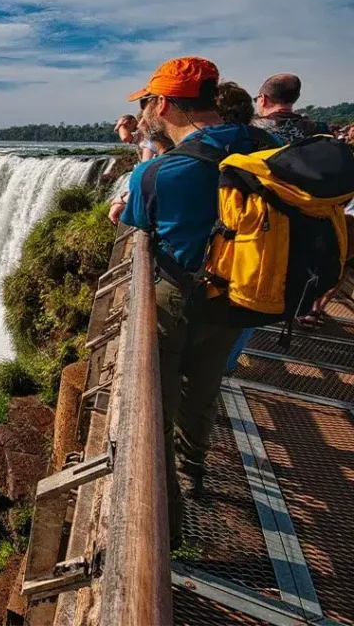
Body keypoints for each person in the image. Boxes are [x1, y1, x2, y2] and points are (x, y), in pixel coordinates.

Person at [120, 57, 271, 551]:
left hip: (178, 298)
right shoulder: (263, 145)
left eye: (147, 102)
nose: (143, 112)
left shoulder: (165, 171)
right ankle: (195, 470)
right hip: (240, 296)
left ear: (164, 103)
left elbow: (138, 222)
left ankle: (167, 531)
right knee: (204, 390)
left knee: (153, 411)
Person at [251, 74, 328, 144]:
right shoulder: (320, 129)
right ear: (296, 97)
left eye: (256, 99)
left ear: (262, 99)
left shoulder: (250, 130)